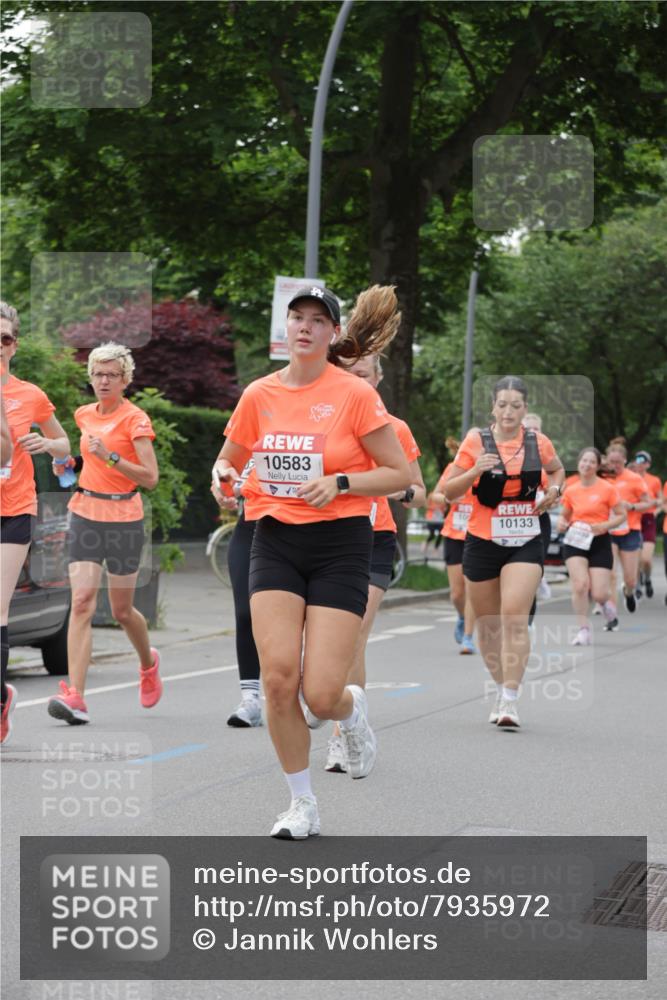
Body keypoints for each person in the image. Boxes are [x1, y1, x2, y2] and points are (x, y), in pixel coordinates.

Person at [212, 284, 410, 839]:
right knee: (277, 680)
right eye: (296, 317)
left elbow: (399, 476)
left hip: (341, 545)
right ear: (286, 329)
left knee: (320, 694)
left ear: (331, 333)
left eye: (316, 319)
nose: (304, 326)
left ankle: (353, 715)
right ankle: (302, 803)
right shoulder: (259, 394)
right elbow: (229, 461)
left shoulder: (353, 395)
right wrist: (222, 480)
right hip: (273, 538)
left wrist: (342, 481)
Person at [314, 349, 426, 773]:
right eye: (349, 374)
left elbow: (421, 492)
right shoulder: (321, 419)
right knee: (317, 639)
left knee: (353, 635)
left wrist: (390, 487)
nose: (356, 382)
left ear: (378, 379)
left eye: (364, 375)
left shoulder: (393, 428)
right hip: (323, 534)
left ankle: (344, 735)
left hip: (374, 535)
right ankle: (329, 699)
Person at [47, 343, 161, 725]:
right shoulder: (83, 415)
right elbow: (86, 460)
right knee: (81, 602)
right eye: (98, 374)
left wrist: (110, 456)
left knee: (122, 610)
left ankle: (148, 664)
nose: (104, 381)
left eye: (112, 374)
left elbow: (150, 477)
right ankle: (76, 695)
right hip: (85, 512)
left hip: (124, 516)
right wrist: (69, 462)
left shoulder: (136, 420)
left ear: (125, 379)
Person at [443, 376, 564, 730]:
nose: (508, 411)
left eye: (516, 405)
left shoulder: (537, 442)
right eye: (502, 405)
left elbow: (557, 470)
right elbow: (450, 491)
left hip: (526, 536)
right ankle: (499, 686)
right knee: (488, 625)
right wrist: (474, 471)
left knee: (514, 615)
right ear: (493, 408)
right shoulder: (474, 441)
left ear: (525, 409)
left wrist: (554, 490)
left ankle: (511, 698)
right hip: (482, 538)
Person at [1, 301, 70, 745]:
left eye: (4, 338)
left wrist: (47, 443)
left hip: (13, 509)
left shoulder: (30, 395)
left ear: (15, 345)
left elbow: (64, 445)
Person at [213, 459, 264, 728]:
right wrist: (220, 485)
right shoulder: (252, 420)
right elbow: (222, 466)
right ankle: (250, 699)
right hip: (249, 528)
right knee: (245, 613)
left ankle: (303, 690)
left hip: (296, 531)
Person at [557, 448, 626, 644]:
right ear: (578, 463)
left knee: (599, 593)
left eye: (591, 462)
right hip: (576, 540)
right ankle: (583, 629)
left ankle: (605, 606)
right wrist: (562, 522)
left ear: (597, 466)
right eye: (584, 461)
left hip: (599, 541)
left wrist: (605, 525)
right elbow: (565, 515)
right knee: (580, 586)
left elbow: (621, 515)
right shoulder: (571, 489)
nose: (586, 465)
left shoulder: (607, 488)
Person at [432, 437, 476, 654]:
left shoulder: (489, 469)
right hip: (454, 533)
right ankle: (461, 616)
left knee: (471, 589)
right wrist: (450, 499)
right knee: (457, 594)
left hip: (478, 534)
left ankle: (468, 637)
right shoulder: (453, 468)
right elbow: (435, 495)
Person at [604, 441, 651, 617]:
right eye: (611, 462)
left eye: (618, 462)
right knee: (611, 574)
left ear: (624, 460)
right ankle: (611, 614)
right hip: (608, 531)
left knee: (630, 579)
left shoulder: (634, 479)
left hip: (631, 530)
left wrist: (630, 506)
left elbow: (647, 504)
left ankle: (629, 593)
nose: (614, 465)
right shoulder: (602, 478)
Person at [632, 451, 661, 599]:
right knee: (635, 556)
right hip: (634, 518)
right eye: (637, 459)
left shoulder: (654, 480)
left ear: (648, 464)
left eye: (643, 460)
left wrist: (656, 509)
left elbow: (661, 501)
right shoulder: (631, 478)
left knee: (646, 559)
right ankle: (637, 585)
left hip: (649, 519)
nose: (640, 462)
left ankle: (647, 579)